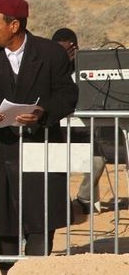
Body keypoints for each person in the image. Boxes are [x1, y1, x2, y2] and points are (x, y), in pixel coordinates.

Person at [0, 0, 78, 275]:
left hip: (40, 148)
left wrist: (43, 113)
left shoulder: (50, 54)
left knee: (40, 220)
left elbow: (68, 95)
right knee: (3, 222)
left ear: (14, 26)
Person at [50, 28, 106, 215]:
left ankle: (84, 198)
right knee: (56, 164)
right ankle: (59, 203)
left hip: (83, 129)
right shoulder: (50, 66)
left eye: (67, 50)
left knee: (97, 161)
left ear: (75, 48)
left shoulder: (86, 66)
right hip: (58, 129)